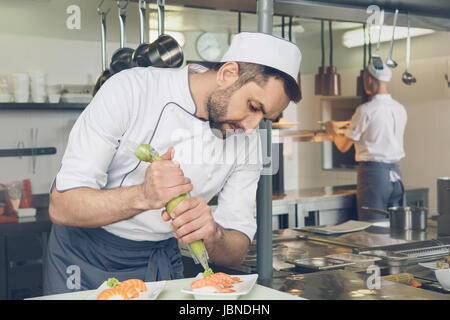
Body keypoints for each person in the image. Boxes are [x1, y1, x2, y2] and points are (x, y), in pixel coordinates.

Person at [44, 32, 302, 294]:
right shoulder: (131, 90)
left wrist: (214, 234)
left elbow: (236, 251)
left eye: (265, 118)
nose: (251, 128)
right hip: (86, 257)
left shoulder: (247, 140)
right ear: (227, 73)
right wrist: (143, 196)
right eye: (253, 106)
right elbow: (62, 206)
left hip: (160, 260)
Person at [324, 63, 407, 221]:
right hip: (396, 176)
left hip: (374, 176)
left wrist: (332, 130)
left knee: (372, 228)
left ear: (368, 80)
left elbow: (343, 146)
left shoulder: (366, 110)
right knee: (398, 229)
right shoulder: (400, 108)